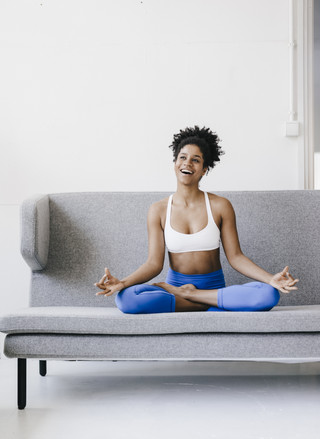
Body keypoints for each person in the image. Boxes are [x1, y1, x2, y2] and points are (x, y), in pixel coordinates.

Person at [94, 126, 298, 313]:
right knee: (126, 299)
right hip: (174, 287)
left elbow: (236, 257)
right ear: (174, 163)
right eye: (182, 157)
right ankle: (208, 303)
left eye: (196, 160)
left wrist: (270, 278)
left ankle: (192, 297)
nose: (187, 163)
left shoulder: (220, 206)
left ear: (204, 169)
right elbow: (154, 264)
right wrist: (123, 283)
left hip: (213, 288)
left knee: (268, 294)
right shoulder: (158, 210)